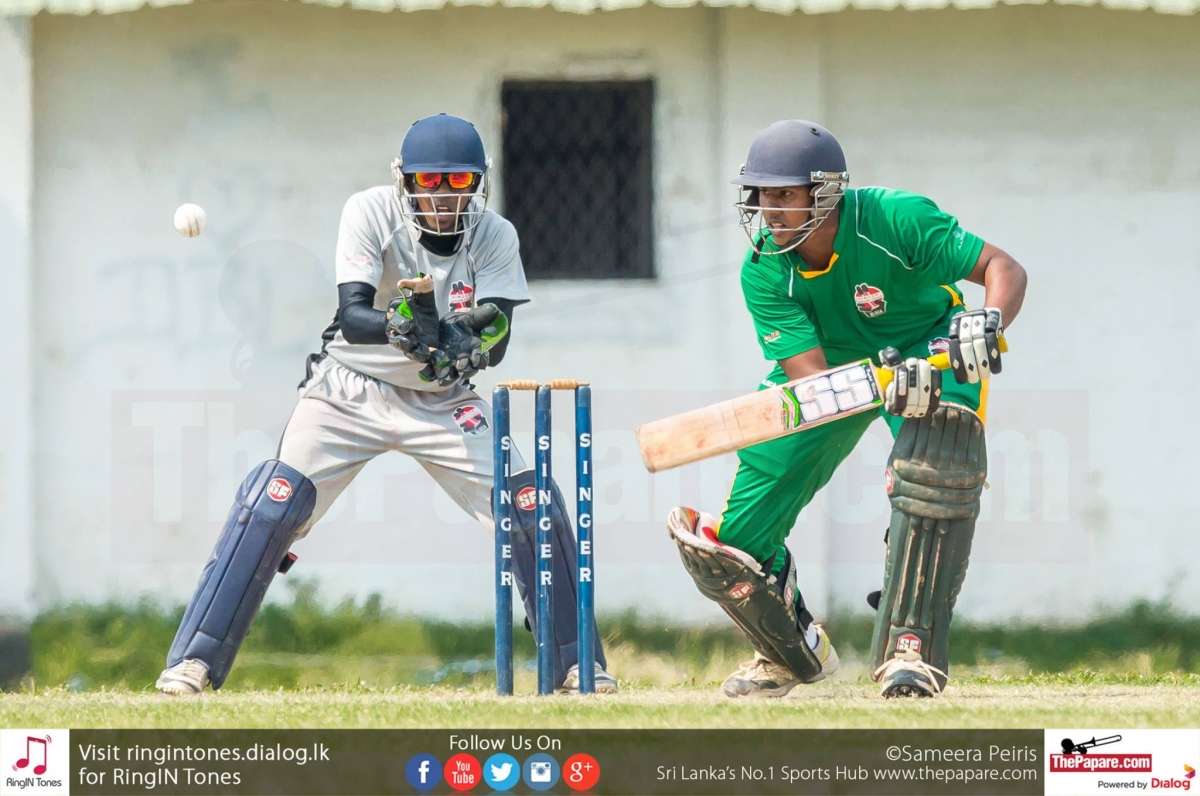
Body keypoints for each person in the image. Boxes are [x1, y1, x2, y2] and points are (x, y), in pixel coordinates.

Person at [155, 113, 615, 695]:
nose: (443, 197)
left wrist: (465, 343)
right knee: (273, 503)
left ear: (479, 182)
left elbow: (497, 338)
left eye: (457, 182)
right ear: (404, 179)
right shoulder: (370, 211)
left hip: (443, 397)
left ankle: (577, 666)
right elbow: (353, 316)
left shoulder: (496, 234)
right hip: (350, 386)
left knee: (530, 503)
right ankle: (193, 662)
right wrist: (402, 328)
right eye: (429, 181)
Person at [666, 120, 1027, 698]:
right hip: (834, 371)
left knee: (937, 468)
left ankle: (911, 651)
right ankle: (789, 653)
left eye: (784, 194)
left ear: (827, 191)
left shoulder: (895, 218)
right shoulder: (764, 268)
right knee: (735, 543)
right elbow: (813, 380)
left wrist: (986, 323)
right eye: (761, 195)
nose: (769, 210)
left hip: (930, 346)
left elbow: (1002, 269)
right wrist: (878, 385)